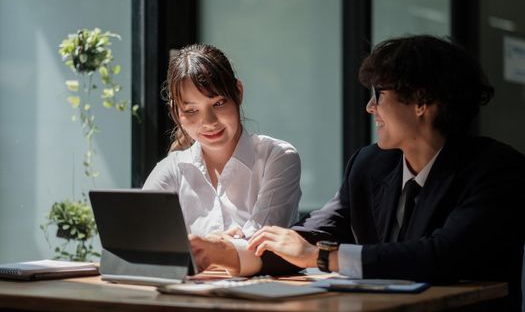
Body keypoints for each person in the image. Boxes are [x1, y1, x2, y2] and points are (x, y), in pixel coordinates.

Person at [191, 35, 525, 311]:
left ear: (422, 102)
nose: (370, 108)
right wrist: (228, 253)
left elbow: (441, 256)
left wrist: (321, 256)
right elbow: (312, 234)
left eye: (379, 95)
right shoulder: (370, 164)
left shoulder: (495, 170)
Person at [142, 44, 302, 273]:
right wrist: (214, 245)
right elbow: (143, 243)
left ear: (238, 92)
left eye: (218, 103)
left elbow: (261, 245)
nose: (208, 121)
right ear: (177, 112)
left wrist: (212, 247)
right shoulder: (171, 169)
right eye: (191, 110)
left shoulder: (277, 158)